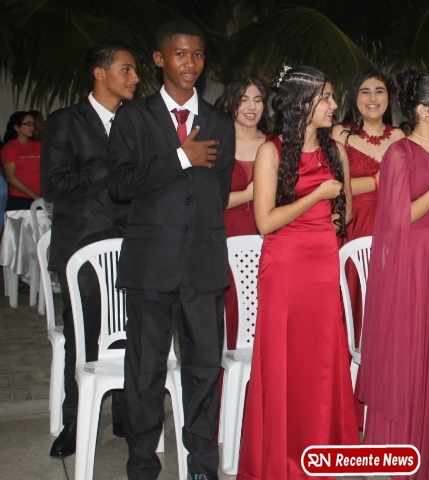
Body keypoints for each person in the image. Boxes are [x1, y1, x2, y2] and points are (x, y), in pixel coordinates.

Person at [108, 20, 235, 480]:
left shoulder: (218, 120)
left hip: (202, 264)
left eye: (197, 54)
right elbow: (119, 186)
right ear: (160, 59)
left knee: (204, 369)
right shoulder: (134, 117)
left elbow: (218, 193)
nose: (190, 63)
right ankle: (142, 465)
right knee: (145, 371)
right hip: (150, 265)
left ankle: (201, 465)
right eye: (180, 54)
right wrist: (181, 157)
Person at [238, 65, 358, 479]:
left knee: (321, 360)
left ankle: (321, 451)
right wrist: (317, 196)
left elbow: (347, 213)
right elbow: (265, 222)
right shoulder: (270, 152)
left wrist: (327, 220)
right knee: (284, 360)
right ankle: (282, 458)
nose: (334, 105)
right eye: (325, 98)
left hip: (323, 263)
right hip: (285, 267)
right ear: (301, 103)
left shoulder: (336, 150)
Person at [359, 69, 429, 479]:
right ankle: (401, 445)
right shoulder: (400, 153)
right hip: (412, 262)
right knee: (413, 349)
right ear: (424, 110)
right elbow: (397, 219)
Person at [41, 42, 139, 459]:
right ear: (100, 73)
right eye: (126, 70)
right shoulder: (65, 121)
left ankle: (125, 417)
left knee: (133, 333)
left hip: (133, 245)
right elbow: (54, 185)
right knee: (83, 337)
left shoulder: (138, 121)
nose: (135, 78)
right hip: (82, 247)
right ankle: (75, 419)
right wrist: (109, 162)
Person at [331, 69, 404, 346]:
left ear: (389, 98)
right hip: (354, 224)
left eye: (379, 91)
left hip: (393, 227)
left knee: (389, 301)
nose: (373, 98)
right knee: (353, 296)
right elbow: (335, 185)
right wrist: (376, 181)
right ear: (354, 97)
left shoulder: (400, 136)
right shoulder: (340, 133)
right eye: (365, 91)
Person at [215, 75, 272, 351]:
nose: (251, 106)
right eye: (244, 99)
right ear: (230, 103)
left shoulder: (276, 143)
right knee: (230, 312)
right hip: (225, 240)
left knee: (266, 311)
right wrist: (250, 194)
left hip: (269, 240)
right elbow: (206, 200)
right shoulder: (216, 144)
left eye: (258, 100)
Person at [1, 111, 42, 210]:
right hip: (20, 198)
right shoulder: (10, 148)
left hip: (41, 196)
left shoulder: (38, 145)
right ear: (17, 127)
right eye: (28, 124)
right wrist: (35, 195)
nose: (32, 127)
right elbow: (11, 178)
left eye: (33, 124)